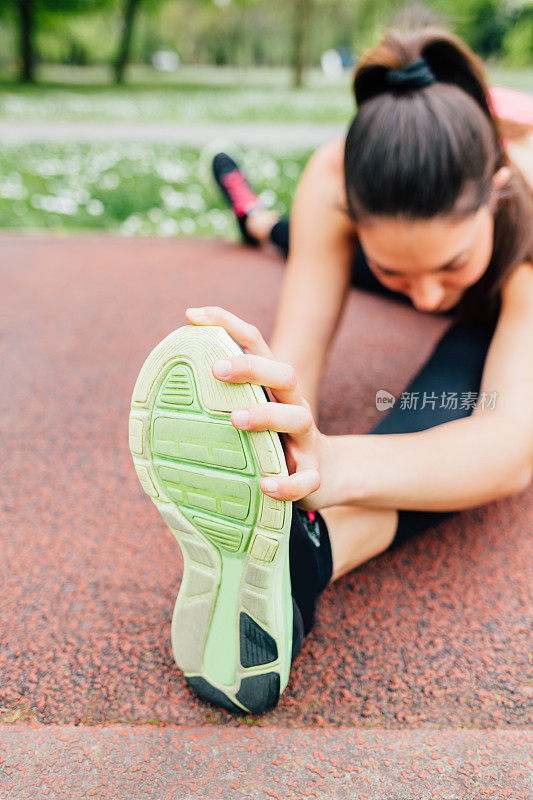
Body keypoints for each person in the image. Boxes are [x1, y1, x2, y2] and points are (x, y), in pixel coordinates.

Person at [131, 24, 533, 715]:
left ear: (494, 196)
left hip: (512, 275)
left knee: (461, 388)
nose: (430, 298)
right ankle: (259, 220)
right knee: (290, 239)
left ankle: (314, 553)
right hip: (399, 225)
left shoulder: (521, 199)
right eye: (395, 269)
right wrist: (270, 422)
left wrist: (332, 466)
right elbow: (299, 354)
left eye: (450, 266)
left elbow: (508, 450)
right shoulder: (332, 176)